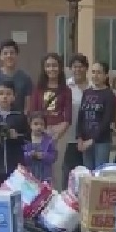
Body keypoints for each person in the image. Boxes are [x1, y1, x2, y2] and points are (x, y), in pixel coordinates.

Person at [30, 53, 72, 189]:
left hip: (60, 133)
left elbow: (68, 116)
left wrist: (57, 134)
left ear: (60, 68)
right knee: (40, 167)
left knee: (57, 168)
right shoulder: (38, 90)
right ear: (44, 68)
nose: (51, 69)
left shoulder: (66, 90)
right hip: (40, 132)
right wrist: (42, 131)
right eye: (48, 66)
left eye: (54, 65)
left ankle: (56, 197)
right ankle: (39, 197)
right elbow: (33, 112)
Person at [77, 61, 116, 170]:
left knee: (99, 174)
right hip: (85, 141)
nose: (95, 75)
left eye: (99, 72)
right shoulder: (86, 93)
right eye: (93, 72)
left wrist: (92, 140)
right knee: (87, 174)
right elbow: (81, 116)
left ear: (105, 75)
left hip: (101, 142)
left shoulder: (109, 95)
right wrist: (80, 138)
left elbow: (106, 120)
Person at [61, 53, 89, 189]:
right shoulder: (66, 86)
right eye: (75, 67)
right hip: (69, 136)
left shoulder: (92, 86)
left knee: (87, 172)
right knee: (69, 172)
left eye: (81, 66)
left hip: (88, 137)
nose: (78, 69)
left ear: (86, 68)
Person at [0, 39, 33, 113]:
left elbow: (28, 106)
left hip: (19, 120)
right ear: (1, 56)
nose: (9, 56)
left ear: (17, 55)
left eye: (12, 53)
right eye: (5, 53)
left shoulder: (25, 78)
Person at [23, 112, 57, 184]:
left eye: (41, 124)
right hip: (29, 175)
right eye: (36, 124)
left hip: (45, 175)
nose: (39, 127)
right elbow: (20, 156)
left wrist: (44, 156)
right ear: (30, 125)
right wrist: (30, 155)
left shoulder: (49, 140)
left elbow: (53, 157)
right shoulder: (25, 140)